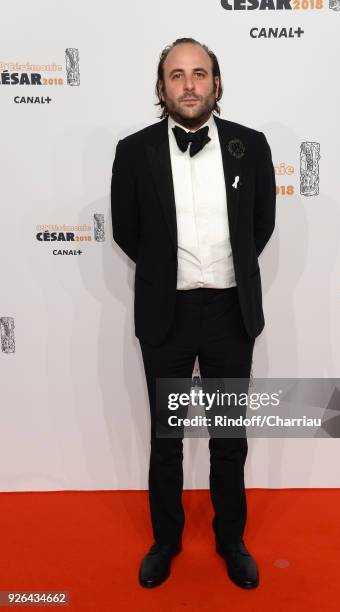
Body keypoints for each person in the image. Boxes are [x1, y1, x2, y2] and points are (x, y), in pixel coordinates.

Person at [110, 37, 276, 589]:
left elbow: (261, 226)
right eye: (177, 75)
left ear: (216, 84)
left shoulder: (250, 147)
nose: (189, 85)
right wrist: (166, 274)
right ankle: (167, 540)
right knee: (167, 439)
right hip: (167, 315)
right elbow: (128, 230)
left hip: (232, 311)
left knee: (229, 437)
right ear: (161, 88)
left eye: (199, 74)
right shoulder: (134, 151)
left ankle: (232, 540)